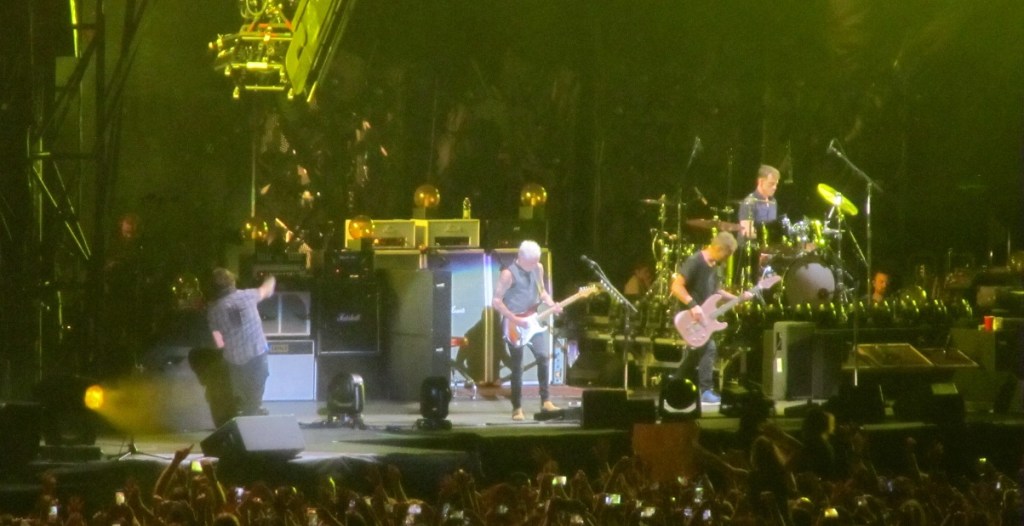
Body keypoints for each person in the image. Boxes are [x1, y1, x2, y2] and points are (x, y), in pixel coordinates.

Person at [670, 232, 746, 404]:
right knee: (709, 348)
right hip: (689, 317)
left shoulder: (715, 266)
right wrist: (693, 305)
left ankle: (674, 383)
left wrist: (737, 299)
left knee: (696, 353)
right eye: (726, 254)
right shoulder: (695, 261)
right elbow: (676, 286)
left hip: (703, 318)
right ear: (718, 248)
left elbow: (716, 292)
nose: (726, 259)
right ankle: (705, 391)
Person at [492, 240, 561, 421]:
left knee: (543, 357)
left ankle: (545, 401)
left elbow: (542, 292)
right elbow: (496, 301)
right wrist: (514, 319)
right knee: (518, 366)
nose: (534, 265)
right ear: (520, 257)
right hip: (514, 323)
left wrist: (552, 304)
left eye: (536, 261)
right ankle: (517, 408)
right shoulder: (508, 274)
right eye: (530, 262)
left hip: (533, 320)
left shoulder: (538, 268)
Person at [207, 268, 276, 417]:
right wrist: (271, 277)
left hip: (234, 360)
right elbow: (267, 290)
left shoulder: (213, 310)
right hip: (257, 354)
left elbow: (219, 342)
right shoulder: (248, 296)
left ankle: (248, 412)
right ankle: (253, 412)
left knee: (241, 395)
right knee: (256, 389)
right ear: (232, 282)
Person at [738, 165, 781, 242]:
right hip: (752, 246)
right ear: (760, 182)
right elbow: (746, 232)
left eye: (776, 184)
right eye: (771, 184)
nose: (775, 187)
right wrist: (765, 235)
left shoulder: (773, 201)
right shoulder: (749, 202)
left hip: (768, 245)